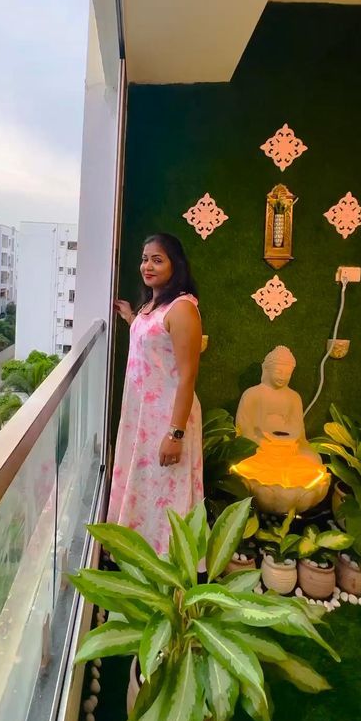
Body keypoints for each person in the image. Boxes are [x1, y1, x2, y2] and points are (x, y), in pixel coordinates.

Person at [107, 233, 204, 555]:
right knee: (146, 485)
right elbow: (155, 342)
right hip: (143, 416)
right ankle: (140, 554)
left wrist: (175, 434)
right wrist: (130, 318)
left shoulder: (183, 309)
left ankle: (169, 562)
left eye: (157, 259)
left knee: (166, 488)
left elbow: (188, 375)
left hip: (167, 417)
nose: (147, 266)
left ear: (176, 265)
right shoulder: (153, 304)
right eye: (145, 258)